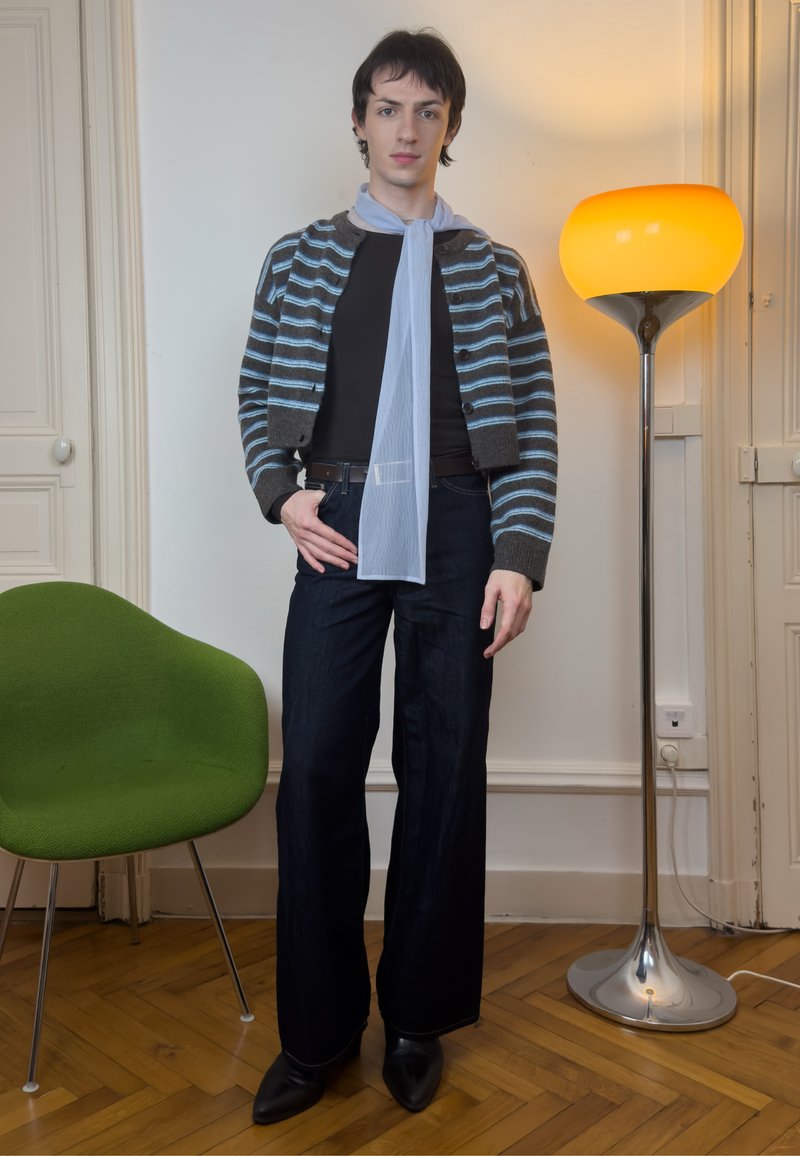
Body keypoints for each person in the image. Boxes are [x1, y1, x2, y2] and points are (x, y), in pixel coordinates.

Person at [238, 28, 557, 1125]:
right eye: (387, 107)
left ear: (451, 128)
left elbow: (534, 431)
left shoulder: (494, 268)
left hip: (461, 525)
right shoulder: (299, 256)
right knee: (319, 769)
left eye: (427, 111)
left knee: (442, 770)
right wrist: (281, 495)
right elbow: (251, 394)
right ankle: (315, 1034)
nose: (406, 130)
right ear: (359, 121)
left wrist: (517, 556)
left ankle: (416, 1019)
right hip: (339, 518)